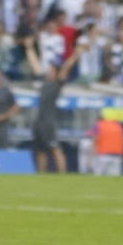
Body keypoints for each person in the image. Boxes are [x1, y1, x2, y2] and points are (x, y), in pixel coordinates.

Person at [28, 43, 84, 174]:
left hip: (49, 121)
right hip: (39, 121)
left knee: (55, 148)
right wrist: (29, 48)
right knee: (40, 150)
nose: (49, 71)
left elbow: (66, 68)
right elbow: (35, 66)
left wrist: (76, 54)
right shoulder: (45, 82)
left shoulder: (57, 84)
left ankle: (62, 174)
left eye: (52, 69)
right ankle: (41, 174)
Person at [90, 109, 123, 176]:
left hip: (102, 155)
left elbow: (95, 139)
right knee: (114, 180)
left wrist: (93, 154)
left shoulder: (99, 125)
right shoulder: (118, 125)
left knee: (99, 178)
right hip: (117, 156)